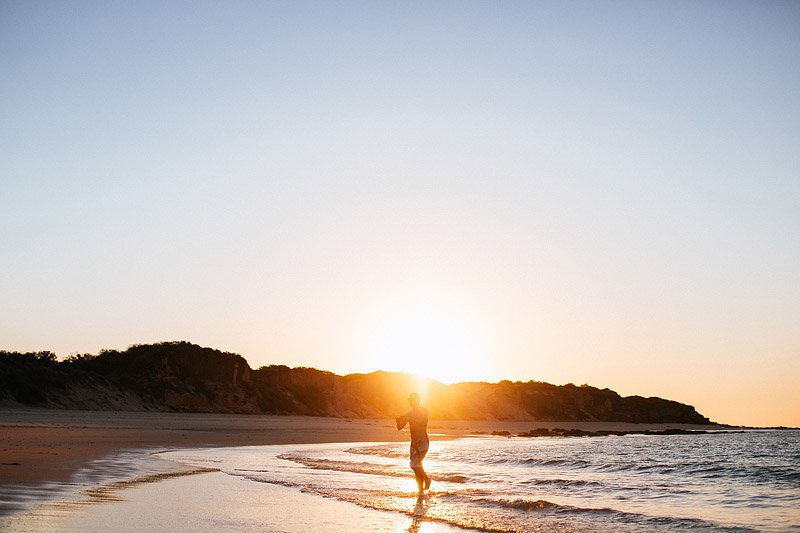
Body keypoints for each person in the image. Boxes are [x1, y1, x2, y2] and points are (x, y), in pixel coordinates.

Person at [395, 391, 431, 492]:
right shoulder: (409, 413)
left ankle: (427, 480)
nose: (410, 402)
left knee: (415, 465)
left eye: (412, 400)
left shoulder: (424, 411)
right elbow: (399, 428)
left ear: (417, 400)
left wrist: (409, 418)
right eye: (410, 400)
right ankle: (420, 491)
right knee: (416, 466)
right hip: (414, 443)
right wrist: (399, 421)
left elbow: (423, 422)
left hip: (423, 442)